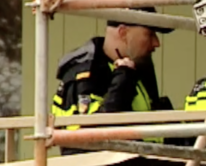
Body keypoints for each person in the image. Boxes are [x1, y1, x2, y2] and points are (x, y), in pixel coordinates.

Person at [52, 9, 174, 150]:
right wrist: (123, 81)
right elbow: (90, 137)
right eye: (150, 34)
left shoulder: (137, 67)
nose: (156, 43)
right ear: (123, 33)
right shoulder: (86, 72)